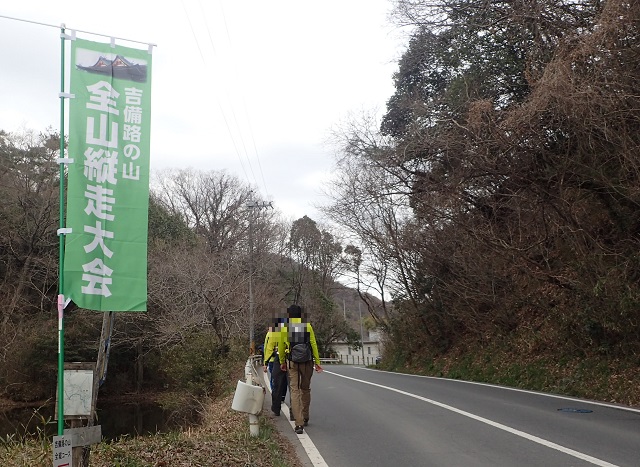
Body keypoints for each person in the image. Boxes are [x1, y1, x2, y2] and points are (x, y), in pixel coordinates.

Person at [279, 304, 322, 434]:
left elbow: (281, 346)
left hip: (293, 362)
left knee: (295, 390)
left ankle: (299, 424)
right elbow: (313, 344)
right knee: (305, 388)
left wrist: (282, 361)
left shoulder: (285, 328)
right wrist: (317, 362)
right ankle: (306, 416)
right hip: (307, 362)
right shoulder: (307, 326)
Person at [264, 320, 288, 416]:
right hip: (291, 359)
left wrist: (265, 362)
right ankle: (284, 400)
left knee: (276, 383)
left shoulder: (272, 333)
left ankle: (276, 407)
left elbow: (268, 348)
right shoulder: (290, 329)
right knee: (291, 384)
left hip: (276, 360)